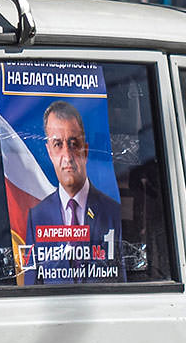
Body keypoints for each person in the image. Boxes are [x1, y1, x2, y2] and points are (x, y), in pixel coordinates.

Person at [24, 99, 124, 282]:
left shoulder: (113, 212)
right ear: (49, 152)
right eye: (58, 145)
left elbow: (121, 282)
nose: (67, 156)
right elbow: (31, 288)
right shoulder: (36, 217)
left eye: (73, 143)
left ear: (85, 150)